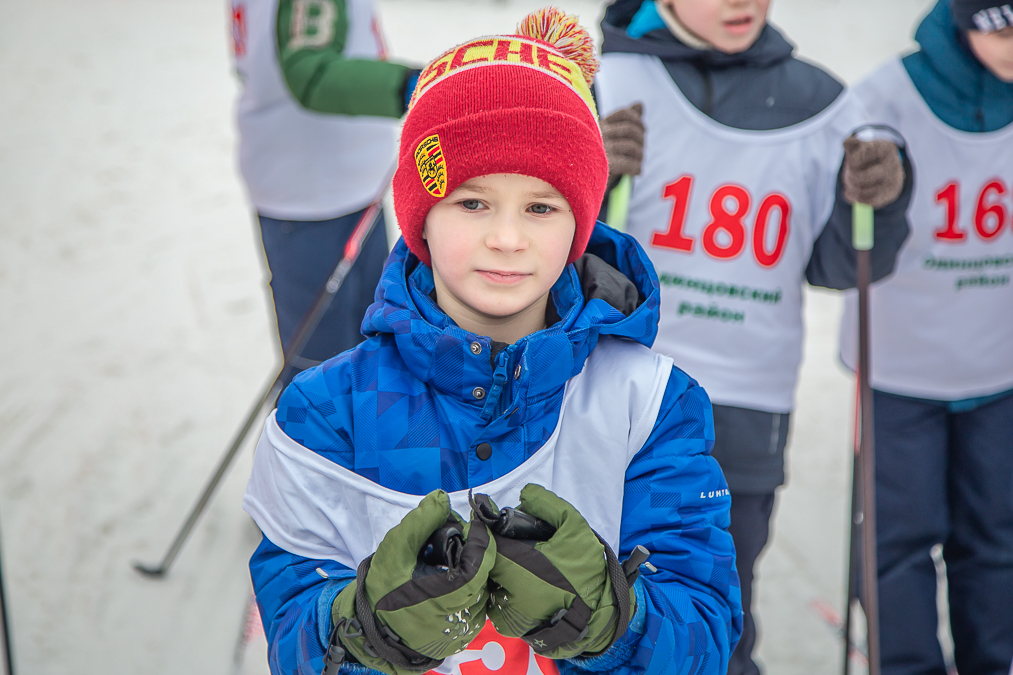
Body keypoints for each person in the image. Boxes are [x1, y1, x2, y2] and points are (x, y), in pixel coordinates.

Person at [242, 8, 743, 675]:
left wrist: (610, 620)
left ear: (579, 223)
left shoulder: (649, 404)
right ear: (421, 216)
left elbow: (705, 631)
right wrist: (361, 630)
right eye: (471, 202)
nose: (506, 239)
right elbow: (291, 635)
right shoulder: (327, 410)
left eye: (540, 206)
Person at [593, 1, 913, 673]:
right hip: (618, 391)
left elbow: (838, 262)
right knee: (596, 601)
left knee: (718, 605)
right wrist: (586, 178)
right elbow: (548, 251)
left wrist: (878, 206)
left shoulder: (822, 102)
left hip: (744, 403)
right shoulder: (612, 81)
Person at [841, 1, 1013, 673]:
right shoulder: (888, 92)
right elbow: (840, 223)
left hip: (998, 364)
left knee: (994, 534)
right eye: (999, 25)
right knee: (896, 539)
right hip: (900, 366)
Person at [231, 0, 420, 379]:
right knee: (323, 369)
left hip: (351, 185)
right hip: (312, 198)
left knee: (374, 345)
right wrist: (417, 86)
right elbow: (310, 73)